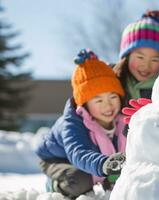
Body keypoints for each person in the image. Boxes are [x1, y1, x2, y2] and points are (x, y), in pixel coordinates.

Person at [35, 49, 127, 198]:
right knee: (80, 180)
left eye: (113, 97)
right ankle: (54, 184)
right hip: (57, 159)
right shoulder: (72, 122)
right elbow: (78, 152)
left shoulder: (121, 118)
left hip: (95, 161)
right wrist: (104, 165)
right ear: (84, 104)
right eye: (98, 100)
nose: (108, 106)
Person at [113, 10, 159, 107]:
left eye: (154, 60)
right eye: (140, 57)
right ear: (127, 56)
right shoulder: (110, 79)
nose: (146, 66)